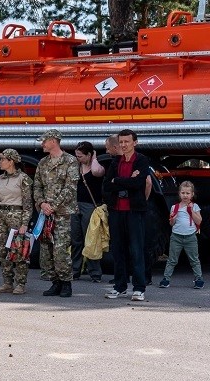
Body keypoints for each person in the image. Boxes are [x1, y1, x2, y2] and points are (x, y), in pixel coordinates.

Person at [102, 129, 150, 301]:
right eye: (121, 142)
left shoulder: (141, 160)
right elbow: (107, 185)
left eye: (127, 141)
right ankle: (119, 286)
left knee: (136, 249)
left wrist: (118, 180)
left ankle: (139, 288)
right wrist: (127, 180)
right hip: (116, 211)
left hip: (134, 211)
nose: (123, 145)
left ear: (135, 142)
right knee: (118, 250)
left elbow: (138, 183)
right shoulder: (116, 161)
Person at [33, 129, 79, 298]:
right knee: (46, 249)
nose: (42, 144)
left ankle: (66, 282)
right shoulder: (43, 163)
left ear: (53, 141)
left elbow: (70, 188)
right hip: (46, 214)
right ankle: (55, 282)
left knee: (60, 249)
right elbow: (37, 186)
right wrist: (42, 203)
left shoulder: (70, 161)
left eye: (44, 141)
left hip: (62, 214)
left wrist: (52, 206)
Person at [0, 149, 33, 294]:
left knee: (19, 250)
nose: (0, 162)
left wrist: (24, 223)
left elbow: (27, 203)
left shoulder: (23, 178)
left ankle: (20, 283)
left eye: (3, 159)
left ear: (11, 161)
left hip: (17, 215)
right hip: (2, 215)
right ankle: (7, 282)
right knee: (2, 250)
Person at [71, 141, 105, 282]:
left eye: (80, 156)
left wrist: (94, 158)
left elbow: (97, 172)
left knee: (91, 240)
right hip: (75, 205)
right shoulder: (76, 168)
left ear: (89, 154)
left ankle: (95, 273)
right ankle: (75, 270)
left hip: (90, 206)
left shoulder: (97, 168)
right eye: (76, 155)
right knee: (75, 239)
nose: (77, 158)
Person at [160, 181, 204, 289]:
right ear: (179, 194)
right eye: (183, 193)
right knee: (172, 259)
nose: (185, 195)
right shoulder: (175, 207)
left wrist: (191, 211)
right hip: (176, 237)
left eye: (187, 193)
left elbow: (199, 221)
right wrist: (173, 218)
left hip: (190, 237)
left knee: (194, 259)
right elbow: (171, 223)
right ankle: (166, 278)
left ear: (192, 194)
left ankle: (199, 278)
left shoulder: (195, 206)